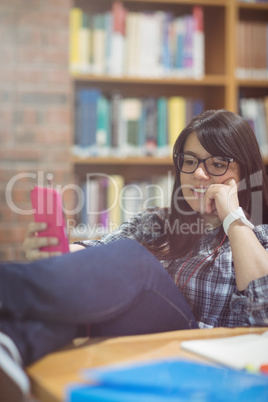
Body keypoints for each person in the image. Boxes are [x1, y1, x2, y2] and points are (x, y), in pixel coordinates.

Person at [1, 109, 268, 401]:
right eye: (189, 162)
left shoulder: (258, 238)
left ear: (246, 173)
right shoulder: (158, 223)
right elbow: (99, 255)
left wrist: (232, 217)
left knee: (135, 260)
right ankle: (9, 344)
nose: (198, 174)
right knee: (83, 296)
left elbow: (263, 313)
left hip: (206, 360)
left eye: (217, 164)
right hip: (138, 350)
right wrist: (55, 255)